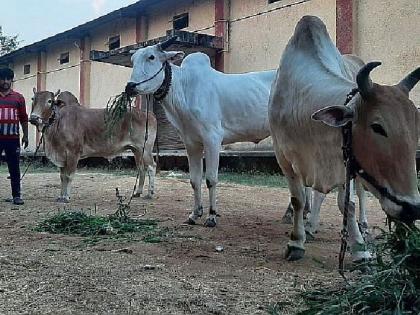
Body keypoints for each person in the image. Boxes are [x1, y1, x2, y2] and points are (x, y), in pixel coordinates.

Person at [0, 67, 28, 205]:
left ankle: (16, 196)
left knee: (14, 168)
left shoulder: (18, 97)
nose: (5, 81)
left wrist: (26, 136)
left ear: (11, 80)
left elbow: (23, 118)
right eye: (3, 78)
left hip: (13, 139)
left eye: (8, 79)